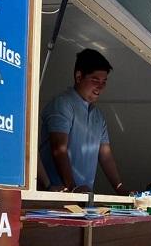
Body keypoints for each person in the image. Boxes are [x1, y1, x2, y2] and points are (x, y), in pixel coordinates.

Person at [39, 48, 127, 194]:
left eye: (104, 81)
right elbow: (59, 149)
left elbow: (105, 156)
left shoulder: (98, 115)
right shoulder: (63, 104)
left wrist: (121, 189)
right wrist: (73, 188)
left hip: (84, 198)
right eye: (95, 80)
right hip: (57, 197)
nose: (100, 86)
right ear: (78, 76)